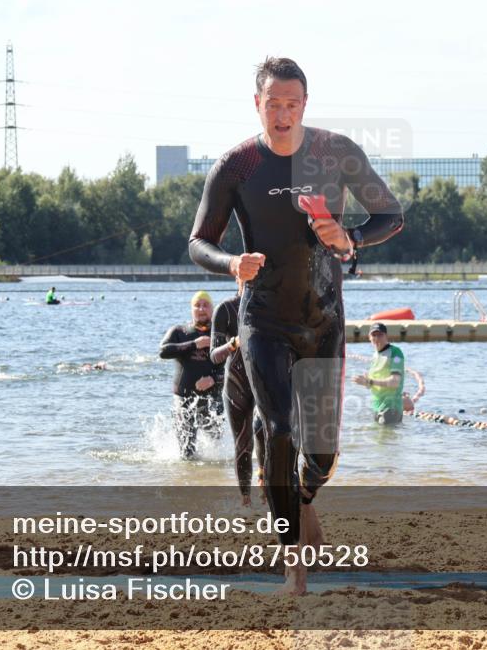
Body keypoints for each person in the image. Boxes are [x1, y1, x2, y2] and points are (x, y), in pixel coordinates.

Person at [188, 56, 403, 594]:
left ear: (305, 104)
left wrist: (350, 237)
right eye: (273, 104)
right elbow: (198, 242)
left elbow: (391, 215)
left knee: (323, 456)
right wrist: (231, 264)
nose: (282, 115)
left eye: (292, 104)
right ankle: (293, 563)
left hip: (323, 318)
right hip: (262, 318)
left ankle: (302, 499)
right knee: (281, 428)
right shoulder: (237, 165)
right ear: (256, 104)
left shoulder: (335, 152)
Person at [210, 280, 267, 506]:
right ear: (238, 278)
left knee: (265, 432)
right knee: (243, 443)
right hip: (236, 382)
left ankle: (265, 483)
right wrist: (233, 343)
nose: (252, 281)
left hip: (264, 381)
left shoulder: (269, 306)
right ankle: (245, 499)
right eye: (246, 277)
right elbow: (214, 356)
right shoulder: (225, 309)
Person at [159, 291, 224, 459]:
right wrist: (194, 344)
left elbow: (233, 367)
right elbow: (163, 351)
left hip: (213, 399)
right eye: (197, 305)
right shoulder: (180, 331)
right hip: (184, 399)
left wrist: (213, 379)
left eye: (205, 305)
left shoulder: (220, 335)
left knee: (215, 452)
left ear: (212, 309)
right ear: (191, 309)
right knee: (186, 453)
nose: (201, 309)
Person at [352, 323, 406, 425]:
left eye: (380, 335)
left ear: (386, 336)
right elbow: (373, 385)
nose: (377, 338)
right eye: (374, 335)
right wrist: (365, 382)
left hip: (390, 407)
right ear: (369, 338)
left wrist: (369, 381)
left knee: (385, 435)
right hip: (377, 406)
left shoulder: (395, 352)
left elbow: (394, 382)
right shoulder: (375, 356)